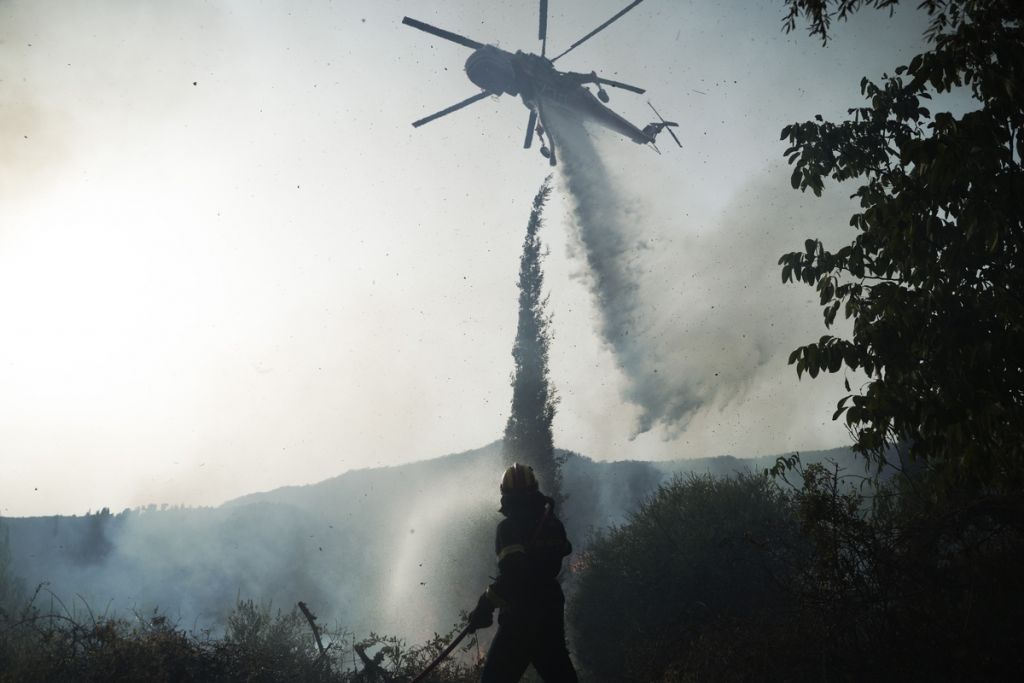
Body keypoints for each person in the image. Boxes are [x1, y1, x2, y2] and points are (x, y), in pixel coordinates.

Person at [467, 463, 579, 682]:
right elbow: (563, 549)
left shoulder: (508, 529)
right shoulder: (552, 524)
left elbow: (514, 575)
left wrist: (485, 605)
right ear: (535, 488)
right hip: (550, 611)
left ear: (504, 493)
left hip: (521, 618)